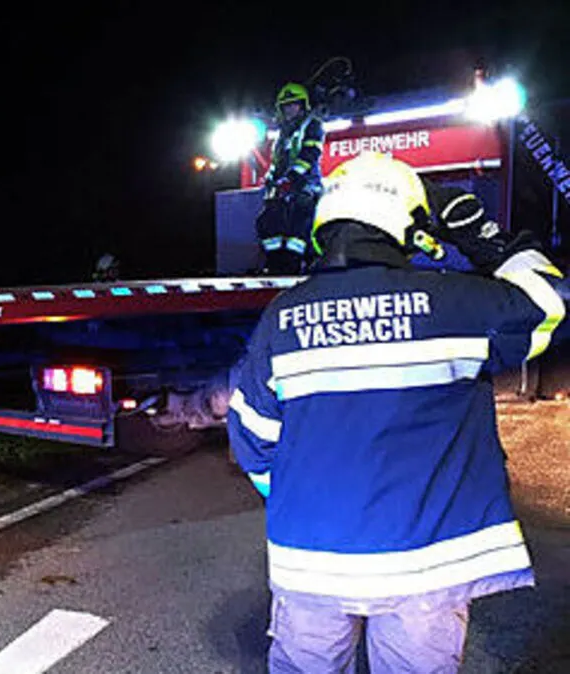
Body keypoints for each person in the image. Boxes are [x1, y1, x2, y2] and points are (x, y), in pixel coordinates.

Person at [227, 151, 569, 672]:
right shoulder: (457, 303)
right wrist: (483, 236)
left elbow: (252, 438)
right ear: (404, 225)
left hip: (311, 563)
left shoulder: (282, 318)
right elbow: (552, 299)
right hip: (426, 567)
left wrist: (304, 502)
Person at [256, 82, 326, 274]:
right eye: (286, 106)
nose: (290, 109)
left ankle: (295, 264)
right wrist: (270, 178)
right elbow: (277, 163)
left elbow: (309, 154)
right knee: (266, 222)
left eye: (294, 104)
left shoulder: (313, 125)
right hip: (283, 189)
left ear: (303, 106)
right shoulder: (282, 134)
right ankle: (275, 263)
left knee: (299, 226)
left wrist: (291, 178)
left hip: (305, 187)